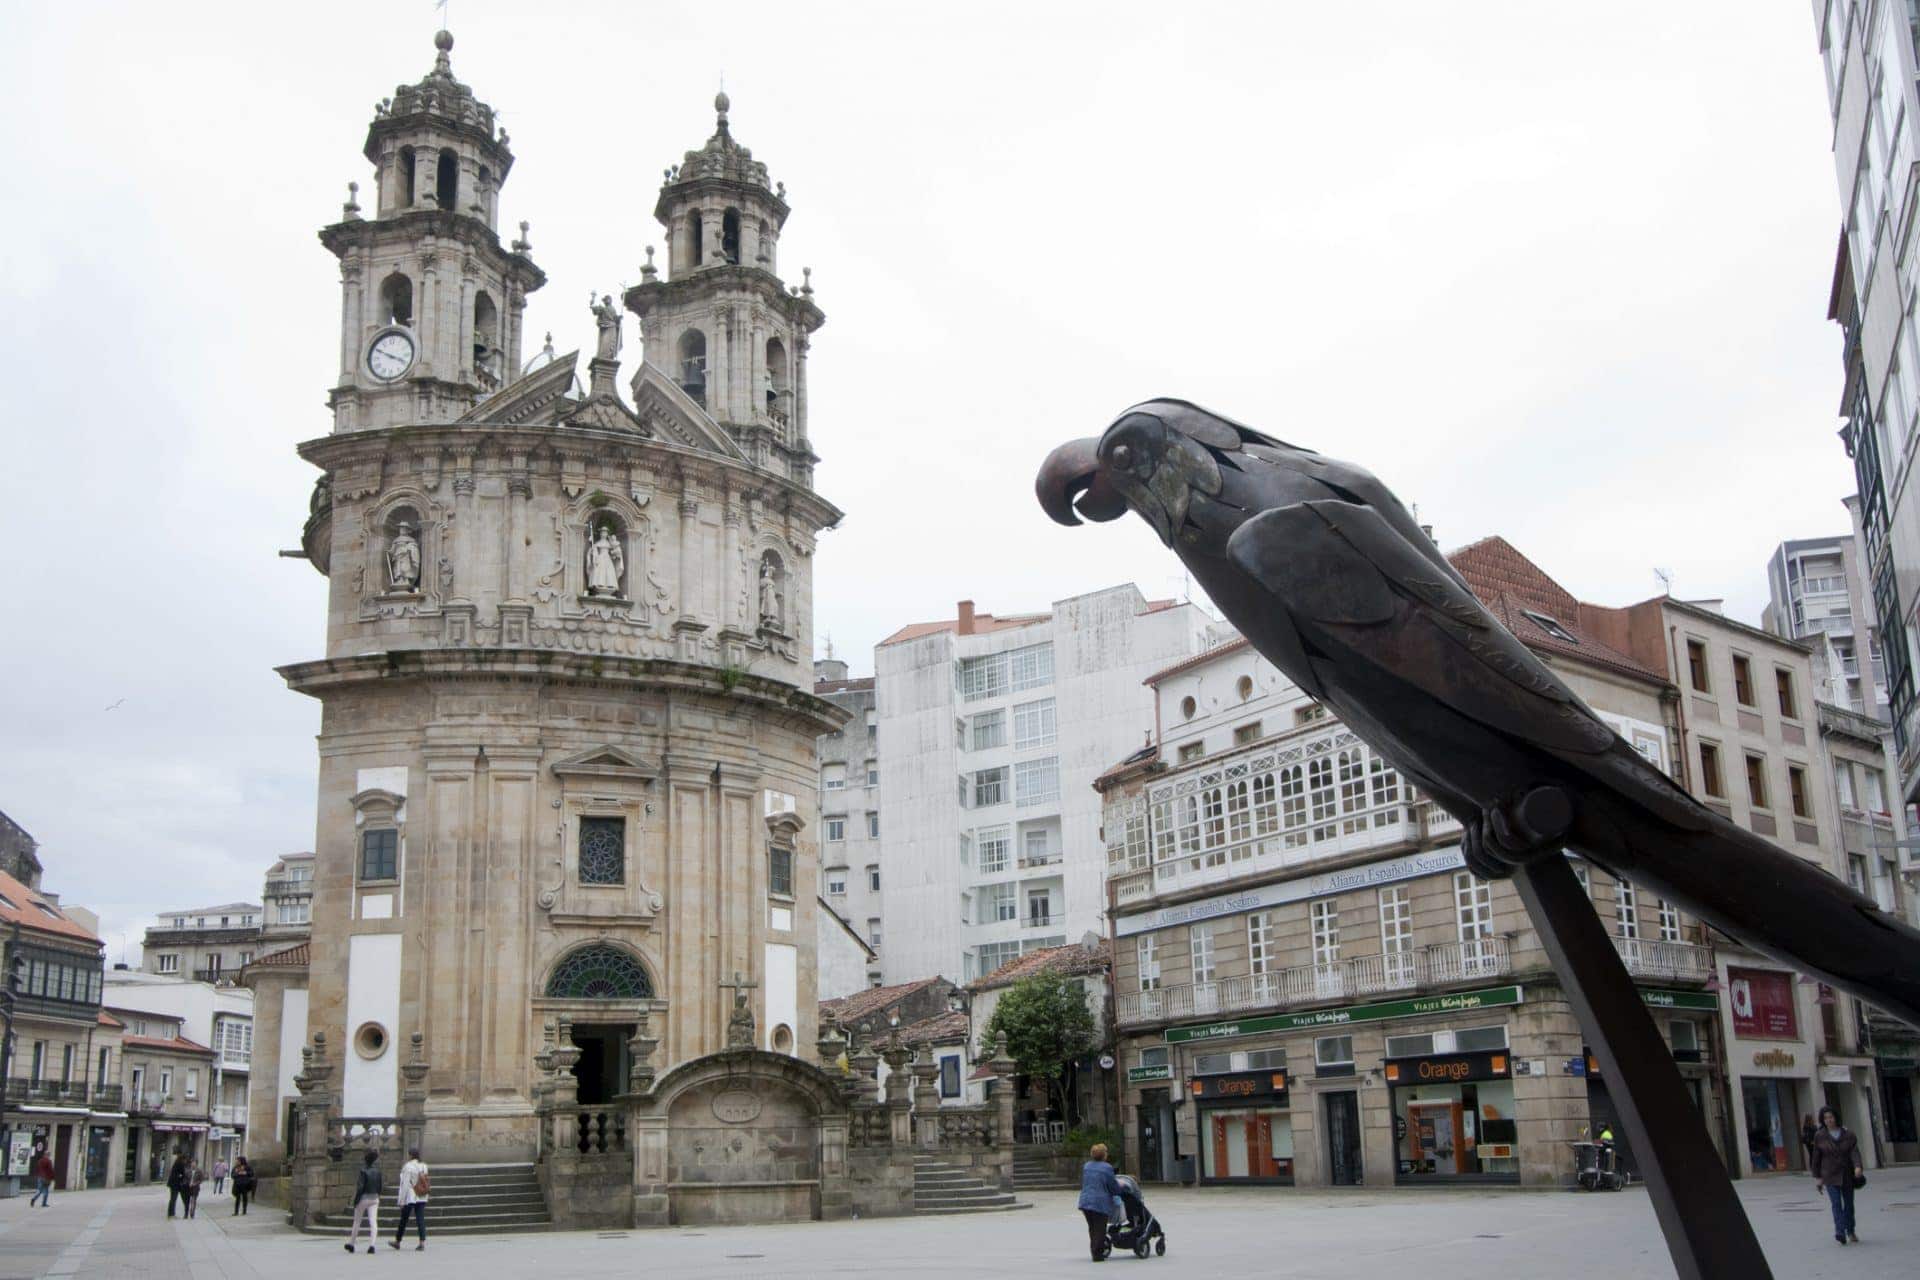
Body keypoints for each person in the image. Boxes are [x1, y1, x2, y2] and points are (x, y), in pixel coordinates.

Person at [1809, 1105, 1865, 1245]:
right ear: (1823, 1120)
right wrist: (1818, 1178)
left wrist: (1857, 1166)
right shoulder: (1820, 1136)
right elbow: (1816, 1158)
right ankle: (1840, 1232)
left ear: (1836, 1118)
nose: (1829, 1120)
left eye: (1831, 1117)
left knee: (1849, 1205)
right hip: (1829, 1175)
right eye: (1826, 1118)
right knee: (1836, 1204)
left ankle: (1850, 1230)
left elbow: (1854, 1152)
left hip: (1846, 1174)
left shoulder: (1848, 1134)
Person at [1077, 1142, 1122, 1263]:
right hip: (1099, 1202)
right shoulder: (1107, 1168)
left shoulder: (1087, 1166)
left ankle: (1094, 1249)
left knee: (1092, 1227)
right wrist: (1120, 1191)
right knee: (1100, 1227)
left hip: (1085, 1201)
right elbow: (1113, 1186)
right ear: (1104, 1155)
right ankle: (1097, 1254)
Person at [391, 1147, 429, 1251]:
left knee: (404, 1219)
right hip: (421, 1195)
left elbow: (405, 1185)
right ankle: (422, 1242)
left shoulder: (408, 1166)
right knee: (420, 1219)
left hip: (410, 1196)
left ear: (411, 1155)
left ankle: (398, 1241)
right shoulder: (424, 1166)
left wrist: (401, 1201)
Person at [346, 1149, 382, 1255]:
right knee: (373, 1221)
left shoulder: (363, 1171)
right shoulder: (377, 1171)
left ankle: (352, 1244)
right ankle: (372, 1245)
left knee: (357, 1221)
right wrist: (377, 1195)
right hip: (374, 1197)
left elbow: (360, 1187)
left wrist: (356, 1200)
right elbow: (380, 1186)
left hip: (364, 1198)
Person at [165, 1153, 188, 1218]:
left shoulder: (177, 1163)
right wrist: (183, 1178)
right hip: (175, 1184)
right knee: (173, 1199)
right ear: (183, 1159)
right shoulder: (180, 1164)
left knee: (172, 1199)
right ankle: (171, 1214)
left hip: (173, 1183)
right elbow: (183, 1174)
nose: (186, 1161)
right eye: (185, 1160)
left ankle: (171, 1213)